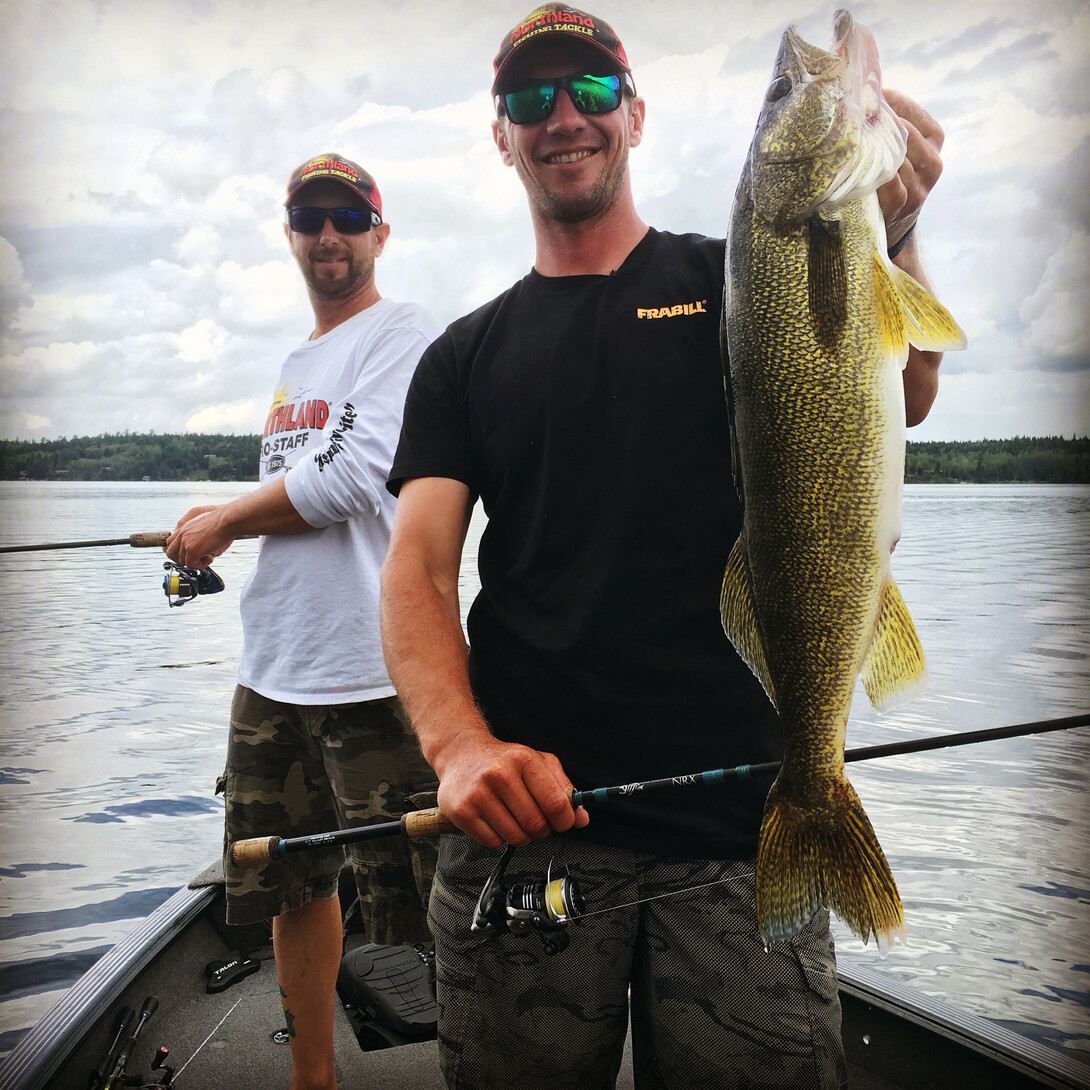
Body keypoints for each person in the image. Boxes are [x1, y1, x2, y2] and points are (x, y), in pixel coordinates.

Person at [380, 7, 949, 1089]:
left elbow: (905, 389)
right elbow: (416, 566)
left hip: (746, 830)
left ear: (634, 115)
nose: (562, 117)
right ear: (500, 134)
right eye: (529, 98)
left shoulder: (740, 275)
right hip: (531, 833)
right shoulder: (461, 357)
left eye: (590, 92)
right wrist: (456, 747)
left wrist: (897, 221)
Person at [165, 153, 440, 1090]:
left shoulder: (401, 334)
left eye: (348, 216)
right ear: (291, 234)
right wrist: (224, 528)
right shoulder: (295, 365)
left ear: (379, 232)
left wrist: (225, 518)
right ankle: (311, 1078)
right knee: (293, 887)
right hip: (273, 666)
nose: (329, 234)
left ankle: (467, 1063)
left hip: (371, 669)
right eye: (310, 217)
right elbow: (306, 498)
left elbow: (358, 479)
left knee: (419, 902)